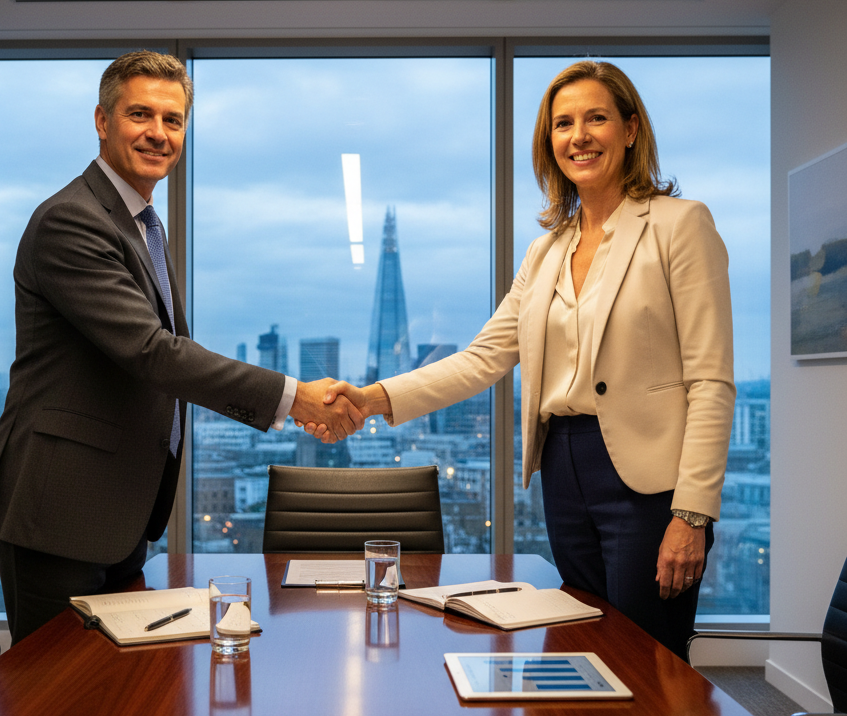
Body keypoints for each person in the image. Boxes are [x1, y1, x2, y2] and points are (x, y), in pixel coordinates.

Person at [314, 61, 735, 656]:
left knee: (649, 657)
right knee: (581, 645)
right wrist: (374, 398)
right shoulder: (545, 252)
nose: (579, 135)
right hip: (564, 469)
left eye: (596, 118)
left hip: (649, 483)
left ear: (632, 129)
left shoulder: (679, 225)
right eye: (563, 123)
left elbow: (711, 381)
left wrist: (693, 515)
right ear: (549, 142)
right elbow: (482, 359)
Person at [0, 50, 363, 643]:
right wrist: (294, 397)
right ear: (102, 122)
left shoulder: (139, 222)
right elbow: (155, 354)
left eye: (174, 120)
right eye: (141, 115)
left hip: (116, 508)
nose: (159, 134)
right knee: (52, 706)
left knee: (114, 698)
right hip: (59, 511)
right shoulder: (73, 220)